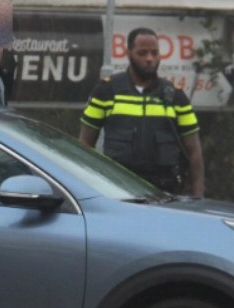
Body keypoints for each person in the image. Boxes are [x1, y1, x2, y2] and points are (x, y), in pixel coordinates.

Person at [78, 27, 205, 197]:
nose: (149, 59)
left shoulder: (176, 96)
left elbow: (194, 151)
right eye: (142, 53)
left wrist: (198, 198)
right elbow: (85, 144)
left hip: (165, 196)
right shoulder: (107, 91)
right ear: (128, 53)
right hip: (117, 194)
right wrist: (86, 191)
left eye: (155, 53)